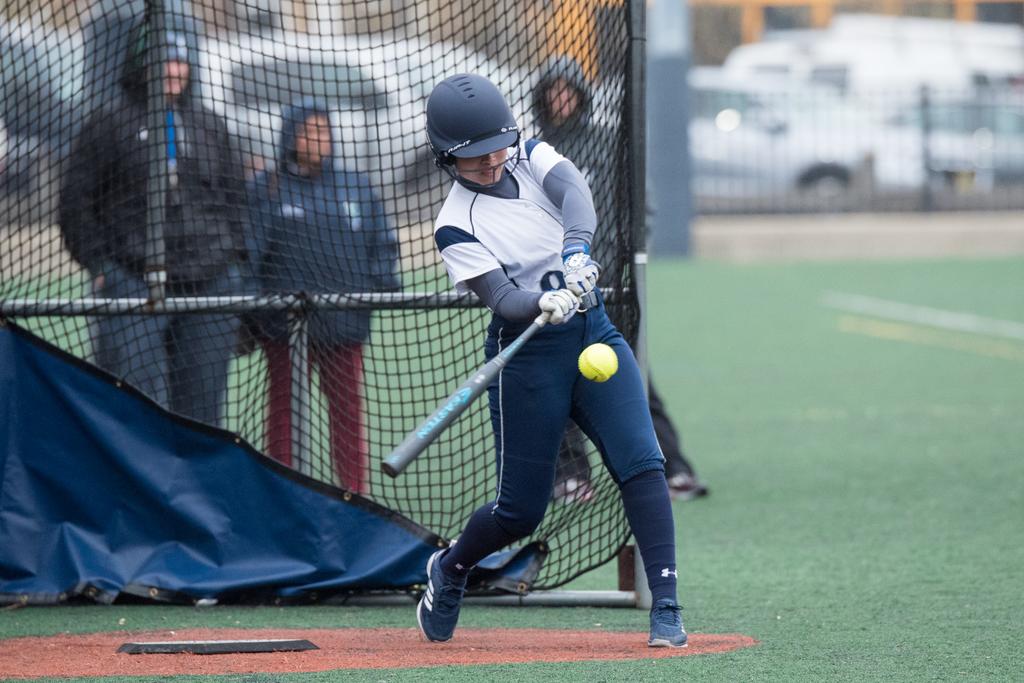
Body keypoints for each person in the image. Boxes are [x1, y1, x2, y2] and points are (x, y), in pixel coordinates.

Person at [415, 73, 687, 648]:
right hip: (528, 358)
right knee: (519, 513)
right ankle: (452, 567)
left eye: (496, 151)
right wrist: (542, 299)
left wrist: (577, 248)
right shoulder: (453, 224)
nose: (491, 165)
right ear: (447, 160)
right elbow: (503, 300)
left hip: (596, 334)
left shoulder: (530, 153)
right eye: (475, 160)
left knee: (643, 463)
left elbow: (575, 193)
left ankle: (666, 605)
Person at [533, 57, 709, 503]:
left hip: (610, 285)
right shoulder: (534, 154)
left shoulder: (609, 144)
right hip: (554, 290)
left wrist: (613, 256)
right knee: (560, 380)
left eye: (567, 90)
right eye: (552, 91)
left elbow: (638, 210)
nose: (560, 98)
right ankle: (570, 476)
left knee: (632, 374)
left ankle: (671, 469)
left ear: (580, 95)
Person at [58, 23, 248, 425]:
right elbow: (75, 203)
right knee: (135, 402)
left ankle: (197, 488)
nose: (174, 71)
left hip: (210, 283)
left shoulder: (208, 124)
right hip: (134, 280)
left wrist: (236, 263)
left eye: (180, 61)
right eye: (165, 61)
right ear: (143, 64)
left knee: (201, 414)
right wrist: (101, 266)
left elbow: (236, 199)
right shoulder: (108, 123)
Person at [246, 98, 399, 492]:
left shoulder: (356, 186)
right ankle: (285, 489)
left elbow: (381, 242)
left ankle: (354, 492)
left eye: (324, 131)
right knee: (284, 412)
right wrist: (251, 309)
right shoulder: (266, 188)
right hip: (285, 326)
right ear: (290, 136)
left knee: (348, 414)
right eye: (309, 131)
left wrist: (381, 281)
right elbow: (250, 253)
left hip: (345, 323)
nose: (318, 139)